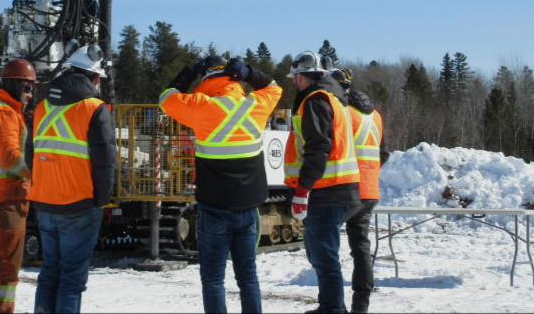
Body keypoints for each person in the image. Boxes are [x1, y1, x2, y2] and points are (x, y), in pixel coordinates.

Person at [159, 55, 282, 314]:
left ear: (207, 81)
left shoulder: (201, 106)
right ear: (235, 81)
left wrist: (190, 71)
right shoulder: (256, 106)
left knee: (213, 280)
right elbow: (273, 86)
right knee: (248, 279)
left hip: (213, 209)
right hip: (248, 210)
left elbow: (166, 97)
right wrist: (249, 72)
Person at [25, 44, 116, 314]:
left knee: (50, 274)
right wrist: (100, 200)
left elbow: (31, 153)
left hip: (44, 203)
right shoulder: (95, 108)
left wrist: (42, 184)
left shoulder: (42, 107)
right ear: (95, 78)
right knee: (71, 280)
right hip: (79, 203)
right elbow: (105, 162)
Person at [284, 52, 361, 314]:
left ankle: (332, 309)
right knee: (322, 256)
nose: (294, 81)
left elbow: (318, 147)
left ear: (302, 76)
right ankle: (331, 306)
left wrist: (302, 189)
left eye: (295, 76)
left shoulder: (316, 100)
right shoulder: (334, 98)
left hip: (325, 191)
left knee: (324, 258)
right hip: (338, 188)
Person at [0, 59, 36, 313]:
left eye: (31, 88)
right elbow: (10, 158)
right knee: (4, 268)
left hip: (4, 199)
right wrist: (38, 176)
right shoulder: (2, 113)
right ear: (10, 84)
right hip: (3, 200)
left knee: (6, 267)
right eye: (26, 87)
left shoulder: (8, 111)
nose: (30, 94)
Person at [330, 68, 390, 314]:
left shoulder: (344, 114)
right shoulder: (375, 116)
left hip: (346, 189)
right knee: (361, 249)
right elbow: (384, 153)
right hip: (370, 191)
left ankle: (332, 303)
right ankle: (361, 306)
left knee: (325, 246)